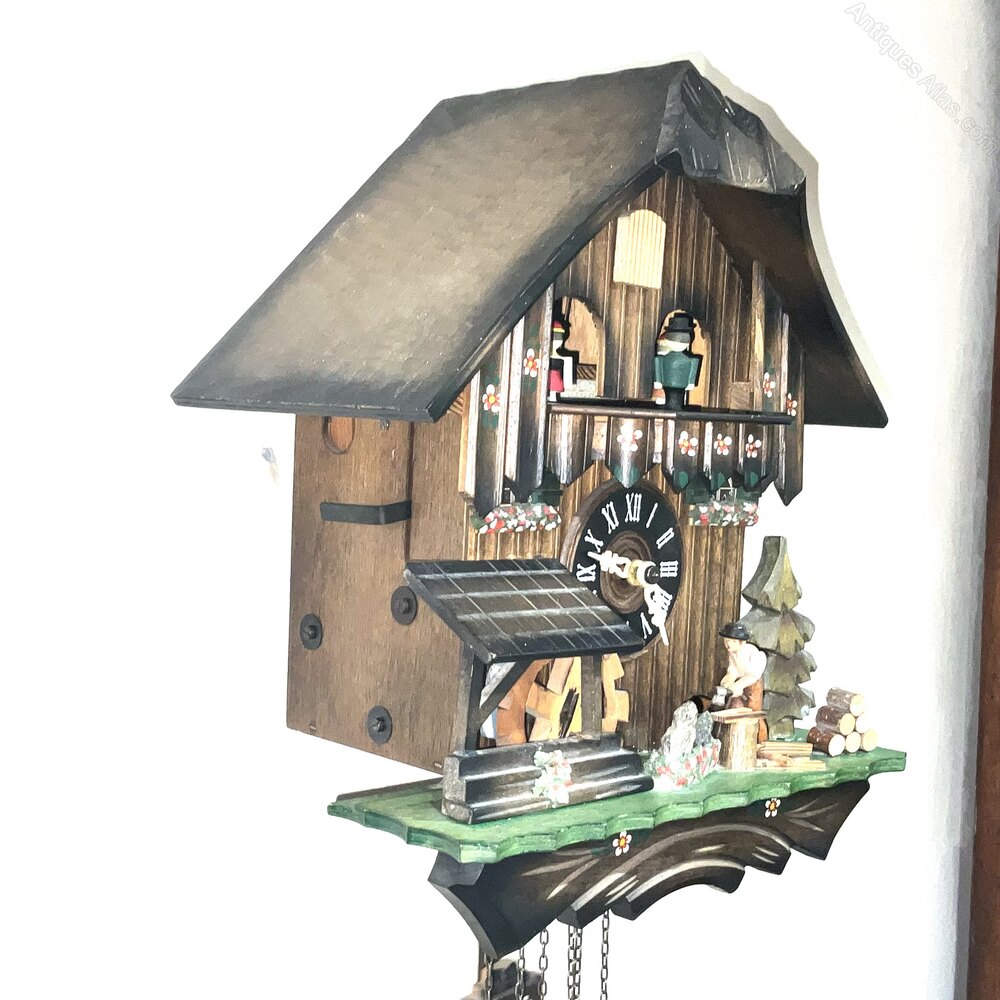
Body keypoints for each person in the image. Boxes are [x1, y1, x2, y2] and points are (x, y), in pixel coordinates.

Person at [715, 621, 768, 742]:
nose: (728, 644)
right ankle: (736, 738)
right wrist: (728, 681)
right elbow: (733, 670)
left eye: (733, 641)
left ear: (742, 642)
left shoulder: (752, 654)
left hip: (753, 684)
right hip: (740, 682)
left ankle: (761, 740)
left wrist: (739, 685)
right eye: (726, 640)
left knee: (754, 712)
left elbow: (752, 675)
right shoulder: (732, 653)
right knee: (734, 707)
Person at [653, 312, 702, 409]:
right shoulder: (664, 357)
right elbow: (658, 363)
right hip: (668, 385)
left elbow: (693, 368)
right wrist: (658, 382)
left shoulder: (689, 359)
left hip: (679, 386)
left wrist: (690, 383)